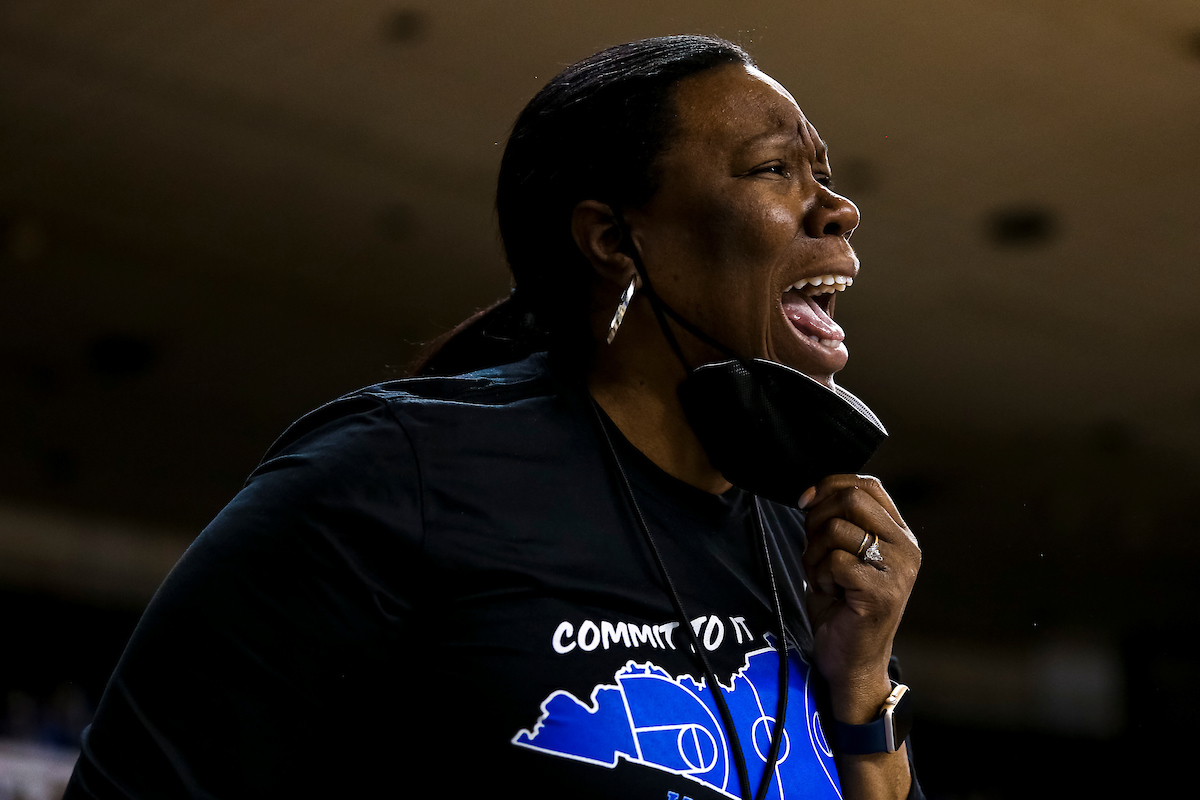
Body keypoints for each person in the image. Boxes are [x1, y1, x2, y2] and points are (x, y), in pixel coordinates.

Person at [65, 35, 923, 800]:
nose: (837, 208)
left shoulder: (800, 540)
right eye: (775, 169)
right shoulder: (396, 472)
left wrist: (863, 691)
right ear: (615, 242)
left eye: (826, 176)